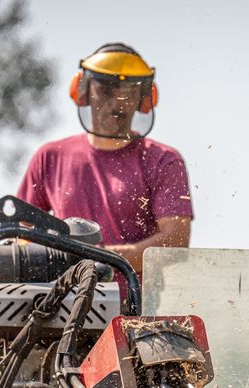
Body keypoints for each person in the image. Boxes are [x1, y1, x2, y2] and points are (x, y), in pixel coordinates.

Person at [17, 43, 193, 272]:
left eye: (128, 93)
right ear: (82, 92)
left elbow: (174, 242)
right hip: (64, 300)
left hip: (136, 303)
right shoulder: (50, 157)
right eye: (106, 90)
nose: (116, 103)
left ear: (145, 99)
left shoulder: (163, 160)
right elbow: (20, 235)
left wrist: (94, 258)